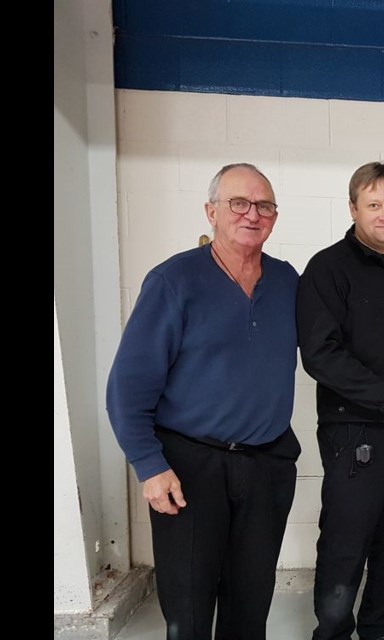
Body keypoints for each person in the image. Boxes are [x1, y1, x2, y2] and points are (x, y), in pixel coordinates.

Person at [106, 163, 301, 640]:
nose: (252, 214)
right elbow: (126, 389)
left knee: (251, 601)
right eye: (239, 202)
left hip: (265, 463)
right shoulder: (174, 281)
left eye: (264, 206)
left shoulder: (288, 281)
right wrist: (149, 466)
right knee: (188, 608)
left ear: (274, 217)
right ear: (211, 211)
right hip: (188, 467)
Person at [297, 161, 384, 640]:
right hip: (354, 429)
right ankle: (333, 633)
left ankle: (378, 630)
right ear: (353, 207)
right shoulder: (328, 268)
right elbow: (321, 355)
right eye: (374, 204)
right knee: (346, 542)